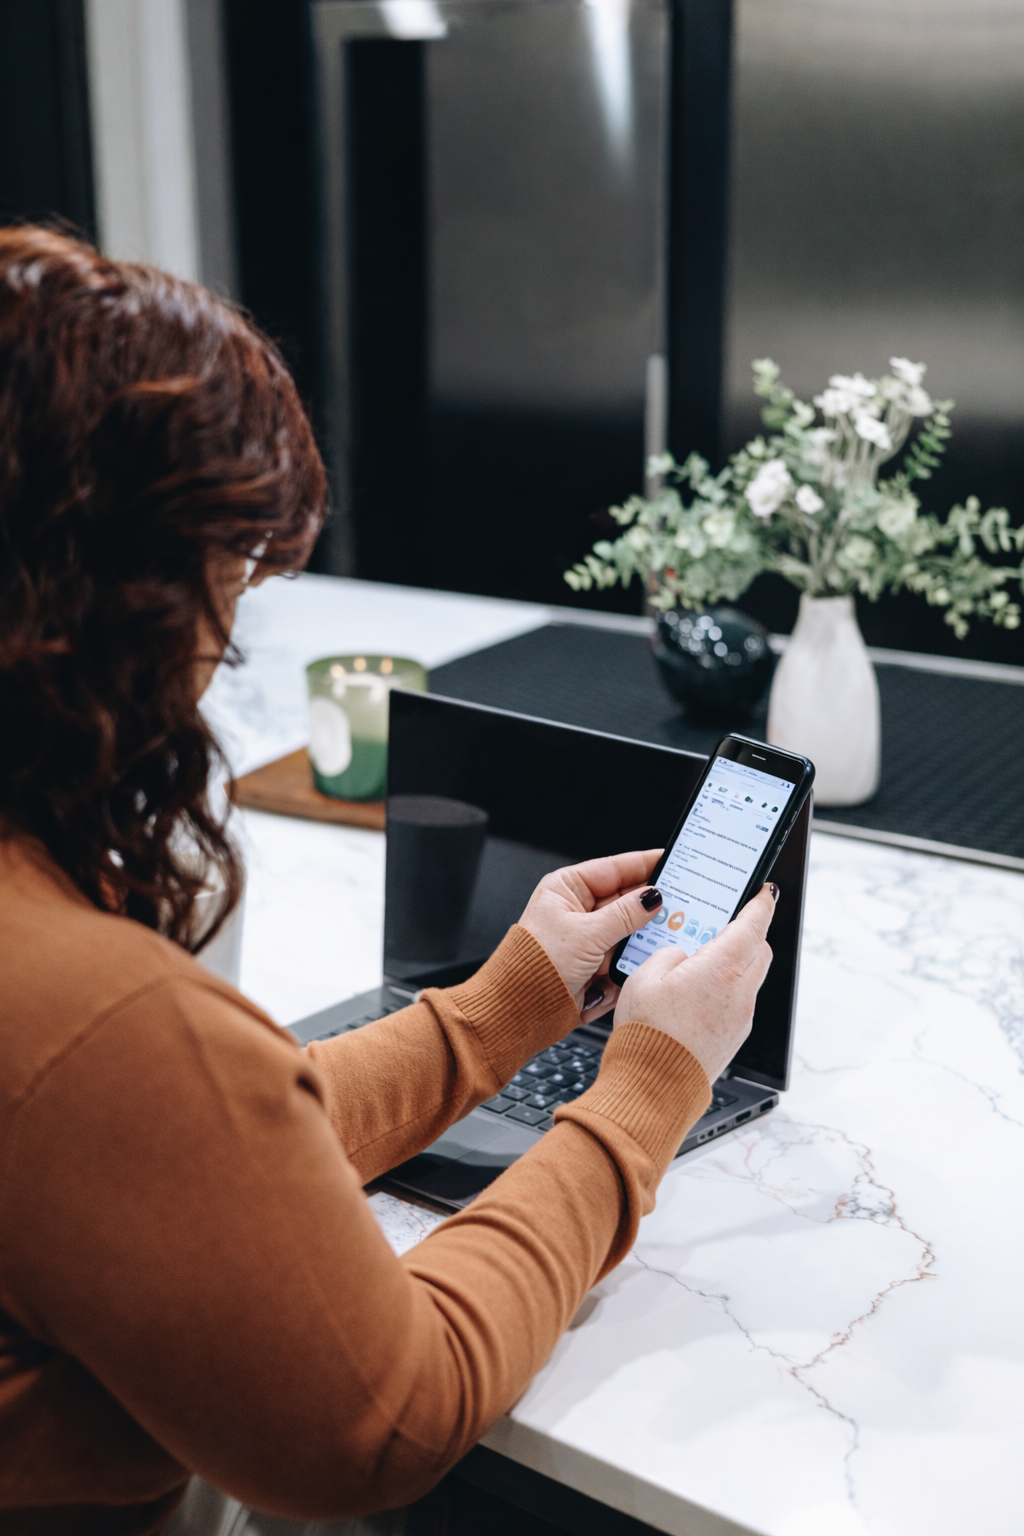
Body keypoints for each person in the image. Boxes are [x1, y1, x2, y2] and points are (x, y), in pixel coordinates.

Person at [0, 227, 778, 1535]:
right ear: (120, 592)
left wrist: (508, 1004)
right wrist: (649, 1089)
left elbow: (192, 1160)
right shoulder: (92, 1013)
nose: (230, 636)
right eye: (231, 571)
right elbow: (386, 1418)